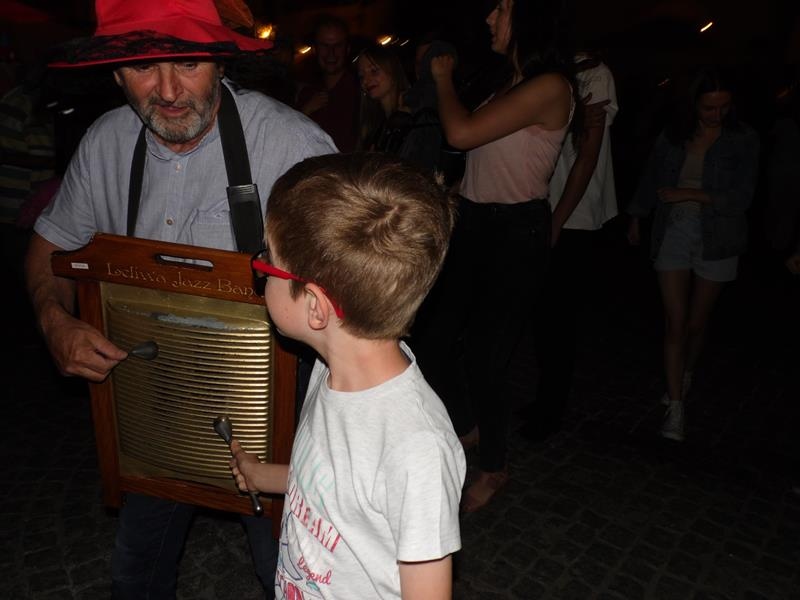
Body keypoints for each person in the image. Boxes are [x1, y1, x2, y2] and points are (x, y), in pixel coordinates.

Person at [24, 0, 336, 598]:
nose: (168, 91)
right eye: (144, 67)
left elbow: (352, 293)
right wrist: (53, 318)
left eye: (188, 63)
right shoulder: (105, 143)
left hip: (269, 403)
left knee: (288, 573)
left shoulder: (292, 145)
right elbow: (49, 244)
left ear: (220, 61)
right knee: (135, 571)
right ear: (116, 73)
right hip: (156, 401)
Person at [230, 152, 466, 599]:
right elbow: (332, 485)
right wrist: (263, 477)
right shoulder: (330, 369)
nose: (259, 269)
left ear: (315, 307)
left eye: (268, 262)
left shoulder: (416, 449)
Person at [411, 0, 576, 513]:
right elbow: (480, 156)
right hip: (474, 222)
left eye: (501, 8)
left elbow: (460, 133)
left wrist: (443, 78)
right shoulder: (508, 82)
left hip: (514, 231)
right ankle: (469, 424)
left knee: (487, 355)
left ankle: (495, 465)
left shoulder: (551, 86)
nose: (488, 18)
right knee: (433, 339)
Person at [626, 67, 759, 442]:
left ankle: (685, 374)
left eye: (724, 107)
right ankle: (676, 405)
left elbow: (742, 197)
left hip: (720, 234)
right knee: (676, 322)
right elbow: (652, 176)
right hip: (674, 228)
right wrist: (636, 215)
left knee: (697, 324)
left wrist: (691, 193)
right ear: (694, 105)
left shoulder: (744, 139)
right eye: (709, 108)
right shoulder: (674, 135)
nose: (717, 115)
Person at [521, 51, 619, 441]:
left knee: (558, 318)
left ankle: (551, 410)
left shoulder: (596, 72)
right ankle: (545, 400)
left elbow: (588, 158)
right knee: (542, 315)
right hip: (541, 203)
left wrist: (557, 220)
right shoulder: (541, 68)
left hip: (574, 213)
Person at [296, 15, 360, 152]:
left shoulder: (361, 92)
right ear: (315, 49)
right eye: (325, 45)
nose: (331, 53)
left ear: (347, 49)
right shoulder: (307, 94)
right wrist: (305, 112)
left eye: (338, 46)